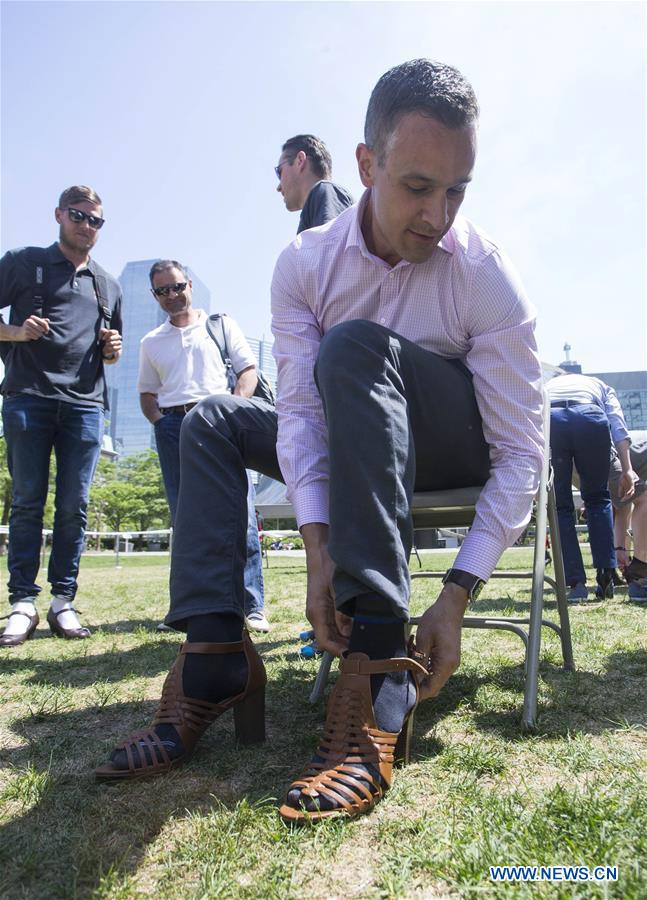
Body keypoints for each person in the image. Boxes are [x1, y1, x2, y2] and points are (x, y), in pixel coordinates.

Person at [96, 59, 544, 825]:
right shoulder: (305, 264)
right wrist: (315, 548)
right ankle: (213, 657)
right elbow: (298, 415)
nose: (438, 216)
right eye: (416, 187)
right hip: (348, 438)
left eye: (456, 190)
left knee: (355, 348)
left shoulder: (481, 271)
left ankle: (377, 663)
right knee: (206, 419)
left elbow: (520, 454)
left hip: (446, 443)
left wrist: (457, 591)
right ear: (366, 166)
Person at [0, 185, 122, 647]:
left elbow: (109, 349)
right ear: (58, 215)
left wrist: (113, 350)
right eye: (79, 216)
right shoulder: (22, 261)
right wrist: (15, 331)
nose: (87, 226)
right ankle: (22, 603)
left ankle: (62, 601)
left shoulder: (107, 284)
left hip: (86, 406)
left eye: (96, 220)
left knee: (75, 506)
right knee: (28, 501)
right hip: (28, 396)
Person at [137, 260, 270, 633]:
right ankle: (190, 607)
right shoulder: (150, 342)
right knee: (185, 518)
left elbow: (248, 371)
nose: (171, 295)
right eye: (162, 290)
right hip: (173, 425)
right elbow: (147, 394)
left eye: (176, 286)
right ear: (155, 296)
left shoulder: (220, 325)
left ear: (189, 285)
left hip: (219, 422)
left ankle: (252, 604)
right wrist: (162, 423)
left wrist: (234, 409)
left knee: (239, 512)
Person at [547, 373, 635, 602]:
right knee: (598, 499)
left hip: (551, 419)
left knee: (561, 507)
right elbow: (617, 423)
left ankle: (576, 584)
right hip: (590, 417)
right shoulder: (602, 386)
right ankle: (606, 573)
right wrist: (627, 469)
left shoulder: (548, 385)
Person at [275, 134, 354, 233]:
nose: (278, 187)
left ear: (300, 160)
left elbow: (331, 245)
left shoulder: (325, 190)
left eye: (279, 171)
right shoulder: (316, 208)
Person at [610, 434, 647, 601]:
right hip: (609, 457)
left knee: (630, 500)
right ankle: (640, 571)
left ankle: (614, 567)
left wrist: (619, 548)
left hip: (585, 456)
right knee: (645, 500)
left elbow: (623, 505)